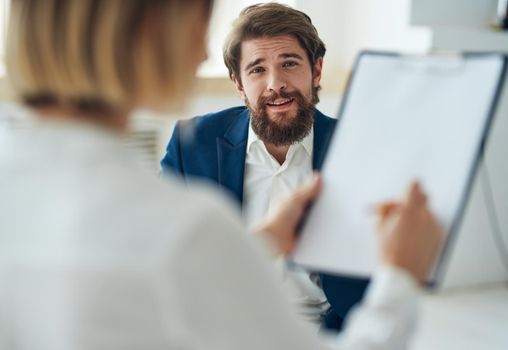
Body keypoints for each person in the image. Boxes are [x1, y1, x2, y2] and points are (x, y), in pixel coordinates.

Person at [0, 0, 442, 349]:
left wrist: (262, 241)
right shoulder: (187, 225)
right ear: (151, 34)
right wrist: (401, 275)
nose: (199, 51)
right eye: (199, 17)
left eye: (289, 63)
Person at [160, 2, 365, 330]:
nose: (276, 84)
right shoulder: (192, 142)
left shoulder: (357, 147)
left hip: (328, 330)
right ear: (238, 83)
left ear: (316, 71)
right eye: (257, 69)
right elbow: (163, 252)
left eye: (289, 63)